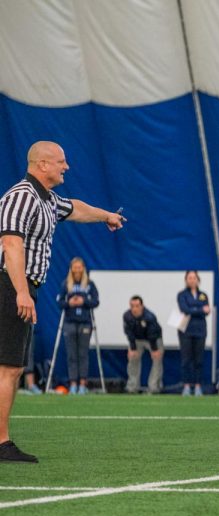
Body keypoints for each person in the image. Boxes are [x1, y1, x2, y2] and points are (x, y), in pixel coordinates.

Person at [0, 141, 124, 462]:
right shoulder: (21, 197)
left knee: (12, 367)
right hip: (10, 285)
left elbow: (77, 208)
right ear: (42, 164)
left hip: (22, 286)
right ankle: (1, 443)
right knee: (9, 368)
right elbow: (11, 246)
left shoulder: (49, 199)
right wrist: (21, 292)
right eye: (61, 162)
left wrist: (106, 215)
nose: (66, 167)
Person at [55, 257, 99, 394]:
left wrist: (83, 300)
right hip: (70, 322)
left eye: (80, 267)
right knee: (71, 355)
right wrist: (69, 303)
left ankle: (82, 384)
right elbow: (59, 301)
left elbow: (96, 301)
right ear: (71, 268)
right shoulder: (66, 284)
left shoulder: (89, 284)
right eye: (75, 267)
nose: (77, 269)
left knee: (83, 354)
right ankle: (73, 384)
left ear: (83, 268)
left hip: (85, 322)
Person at [176, 270, 210, 396]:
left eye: (194, 278)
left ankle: (197, 386)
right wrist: (200, 309)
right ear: (186, 280)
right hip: (186, 330)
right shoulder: (182, 295)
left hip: (200, 330)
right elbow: (184, 309)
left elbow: (207, 310)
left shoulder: (203, 295)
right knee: (186, 360)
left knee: (199, 360)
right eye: (189, 278)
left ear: (198, 279)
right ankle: (186, 385)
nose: (192, 280)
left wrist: (194, 309)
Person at [123, 296, 164, 394]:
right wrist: (132, 348)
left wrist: (154, 349)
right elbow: (129, 332)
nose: (135, 309)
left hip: (153, 339)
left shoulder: (150, 317)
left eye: (137, 306)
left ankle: (154, 387)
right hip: (137, 339)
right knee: (132, 359)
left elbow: (152, 334)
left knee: (157, 359)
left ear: (142, 306)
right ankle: (132, 387)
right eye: (132, 306)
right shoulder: (127, 316)